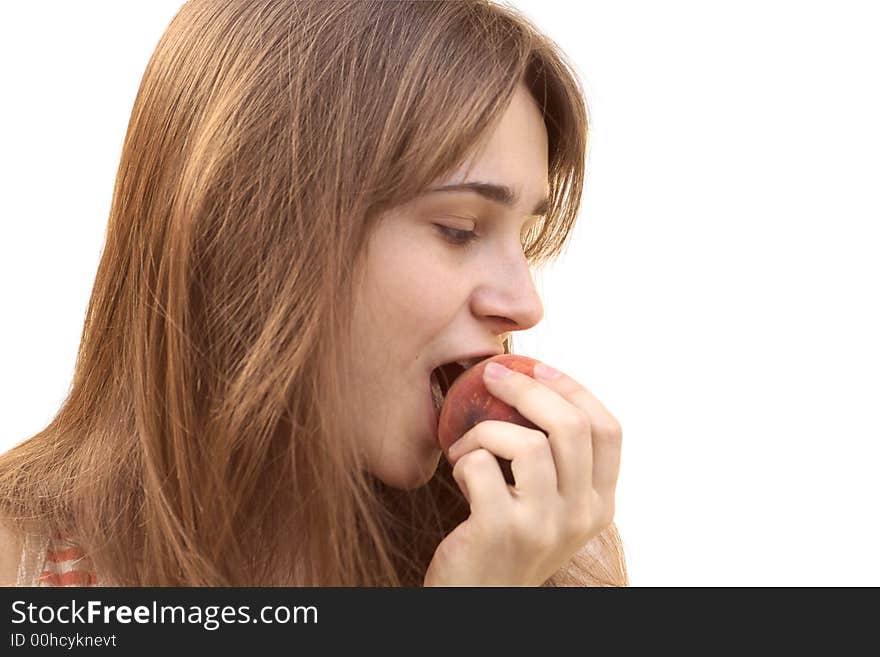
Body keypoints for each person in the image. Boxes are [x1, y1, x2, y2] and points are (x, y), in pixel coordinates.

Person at [0, 0, 626, 587]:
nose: (524, 305)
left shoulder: (537, 557)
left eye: (526, 239)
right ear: (258, 229)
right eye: (458, 229)